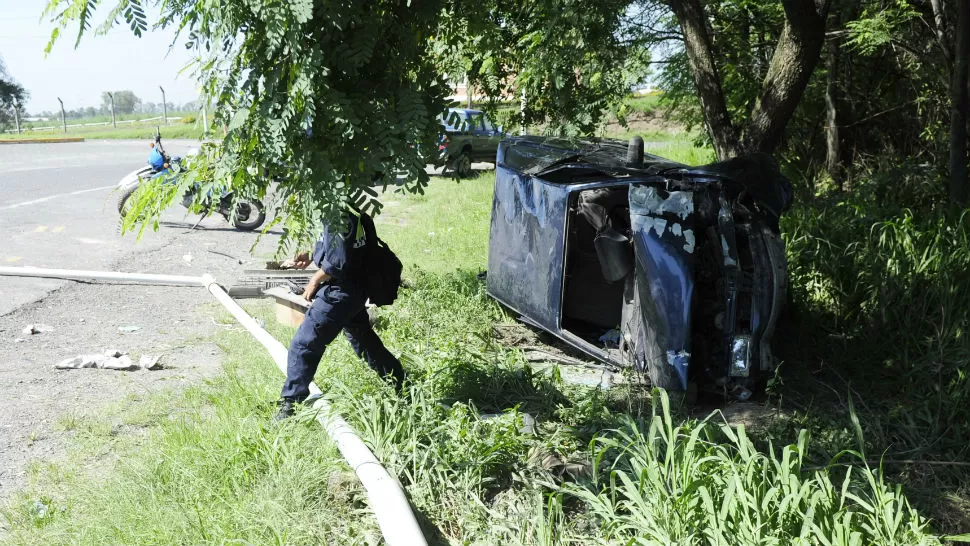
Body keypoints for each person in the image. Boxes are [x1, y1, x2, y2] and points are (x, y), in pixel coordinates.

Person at [275, 208, 405, 420]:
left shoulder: (338, 212)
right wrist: (311, 253)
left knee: (304, 344)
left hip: (340, 292)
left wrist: (314, 280)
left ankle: (290, 404)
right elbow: (338, 246)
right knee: (364, 341)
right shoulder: (341, 206)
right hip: (353, 290)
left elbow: (338, 262)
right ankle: (401, 382)